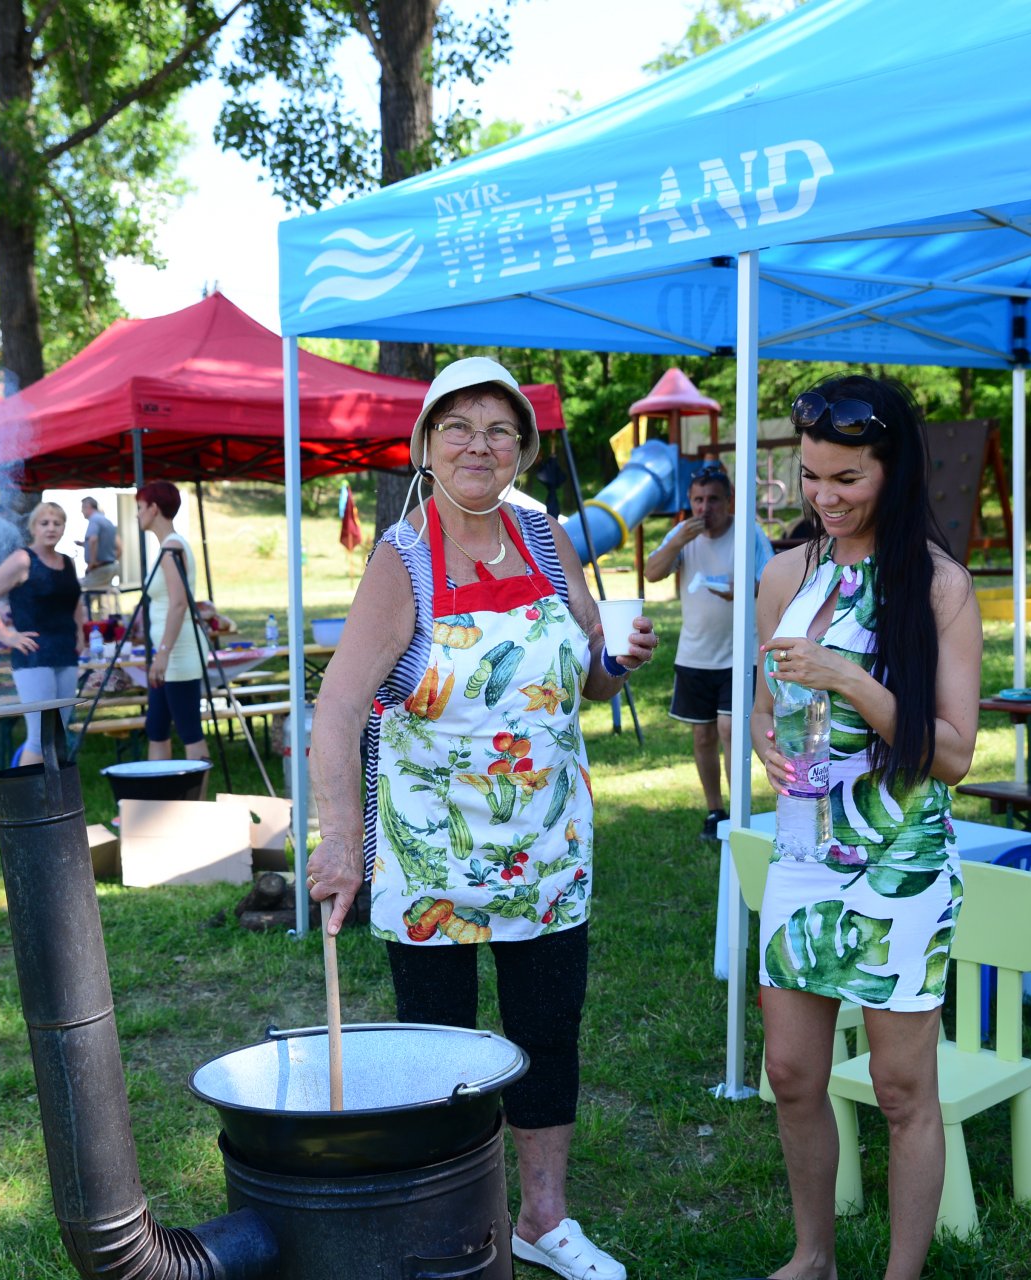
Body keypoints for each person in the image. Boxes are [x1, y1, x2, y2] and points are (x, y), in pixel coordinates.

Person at [306, 356, 657, 1280]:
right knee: (441, 1052)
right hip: (433, 858)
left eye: (499, 429)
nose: (478, 445)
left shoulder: (544, 535)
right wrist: (341, 842)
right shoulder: (403, 557)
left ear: (523, 450)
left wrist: (620, 659)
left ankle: (542, 1219)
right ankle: (455, 1227)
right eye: (456, 426)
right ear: (425, 445)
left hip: (547, 846)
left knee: (548, 1035)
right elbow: (337, 710)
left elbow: (586, 673)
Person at [748, 376, 981, 1280]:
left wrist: (849, 676)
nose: (825, 497)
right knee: (791, 1074)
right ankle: (814, 1257)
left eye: (847, 478)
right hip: (803, 853)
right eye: (811, 477)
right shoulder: (784, 575)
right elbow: (767, 704)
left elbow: (953, 756)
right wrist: (764, 736)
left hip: (899, 862)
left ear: (895, 470)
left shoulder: (939, 587)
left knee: (901, 1088)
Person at [645, 461, 773, 842]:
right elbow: (652, 572)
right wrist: (676, 543)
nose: (705, 508)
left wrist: (745, 589)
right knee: (703, 737)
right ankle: (715, 811)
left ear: (729, 500)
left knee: (731, 729)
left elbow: (770, 582)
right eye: (698, 500)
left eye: (713, 500)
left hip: (740, 654)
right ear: (689, 500)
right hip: (695, 654)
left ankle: (739, 815)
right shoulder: (682, 535)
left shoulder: (748, 532)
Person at [0, 501, 89, 765]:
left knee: (59, 733)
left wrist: (81, 635)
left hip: (65, 652)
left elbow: (74, 602)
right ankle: (29, 791)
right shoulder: (22, 559)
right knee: (40, 737)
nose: (51, 528)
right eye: (44, 523)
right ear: (33, 527)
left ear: (64, 528)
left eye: (57, 523)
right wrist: (6, 635)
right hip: (34, 655)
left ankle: (55, 789)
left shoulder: (68, 562)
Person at [135, 480, 210, 764]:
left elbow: (179, 603)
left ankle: (195, 792)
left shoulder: (172, 548)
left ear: (154, 509)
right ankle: (160, 789)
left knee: (189, 730)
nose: (138, 514)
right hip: (167, 652)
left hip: (178, 653)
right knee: (156, 728)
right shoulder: (167, 547)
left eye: (140, 507)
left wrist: (163, 652)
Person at [78, 495, 120, 591]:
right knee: (104, 592)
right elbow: (118, 547)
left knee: (80, 590)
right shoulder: (107, 521)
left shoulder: (94, 520)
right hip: (110, 566)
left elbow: (93, 540)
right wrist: (84, 544)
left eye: (82, 508)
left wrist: (92, 563)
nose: (81, 511)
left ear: (88, 507)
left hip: (100, 568)